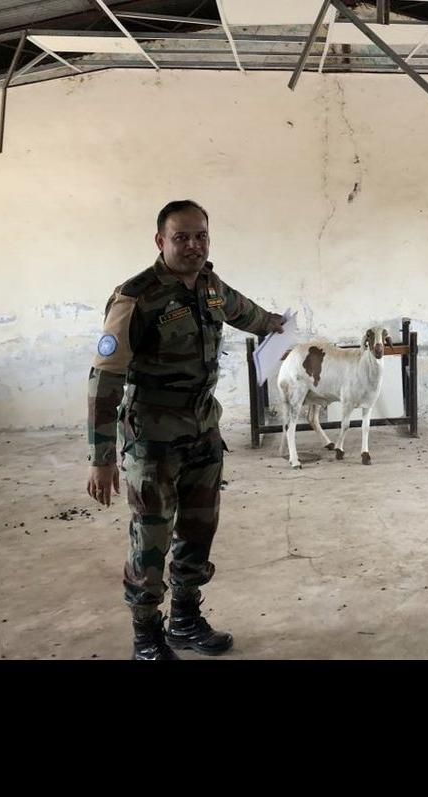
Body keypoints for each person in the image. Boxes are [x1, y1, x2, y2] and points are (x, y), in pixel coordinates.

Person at [86, 200, 285, 659]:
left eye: (201, 236)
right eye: (182, 237)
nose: (193, 245)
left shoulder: (210, 286)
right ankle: (146, 637)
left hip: (203, 431)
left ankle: (185, 621)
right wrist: (100, 458)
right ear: (161, 241)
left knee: (198, 529)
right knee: (151, 538)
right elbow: (104, 379)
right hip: (152, 440)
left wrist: (277, 325)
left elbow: (247, 313)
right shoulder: (136, 297)